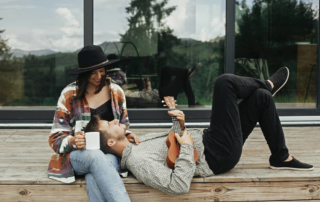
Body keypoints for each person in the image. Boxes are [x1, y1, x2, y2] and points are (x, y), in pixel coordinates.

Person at [85, 66, 313, 195]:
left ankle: (281, 156)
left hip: (212, 142)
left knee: (261, 100)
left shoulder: (137, 144)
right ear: (111, 143)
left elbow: (169, 151)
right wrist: (186, 146)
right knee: (224, 83)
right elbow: (178, 185)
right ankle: (268, 84)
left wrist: (179, 125)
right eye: (109, 125)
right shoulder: (137, 162)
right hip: (216, 154)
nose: (115, 121)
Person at [48, 45, 140, 202]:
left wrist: (128, 134)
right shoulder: (69, 95)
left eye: (101, 70)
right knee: (95, 157)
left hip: (109, 155)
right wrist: (73, 142)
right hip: (78, 157)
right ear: (84, 73)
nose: (98, 76)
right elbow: (55, 139)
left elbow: (123, 125)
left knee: (95, 173)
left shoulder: (116, 91)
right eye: (93, 72)